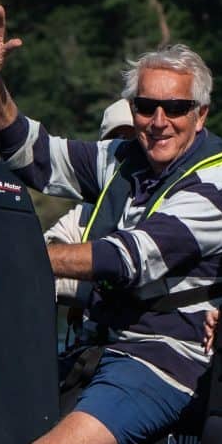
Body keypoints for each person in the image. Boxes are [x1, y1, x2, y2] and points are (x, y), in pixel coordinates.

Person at [0, 5, 222, 444]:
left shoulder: (214, 182)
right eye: (146, 107)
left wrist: (20, 256)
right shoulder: (121, 157)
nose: (159, 120)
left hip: (162, 360)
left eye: (176, 108)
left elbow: (125, 258)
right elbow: (30, 154)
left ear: (201, 115)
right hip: (103, 345)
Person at [46, 100, 140, 305]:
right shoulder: (84, 215)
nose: (128, 148)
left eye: (133, 138)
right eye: (118, 139)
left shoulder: (169, 204)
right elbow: (46, 247)